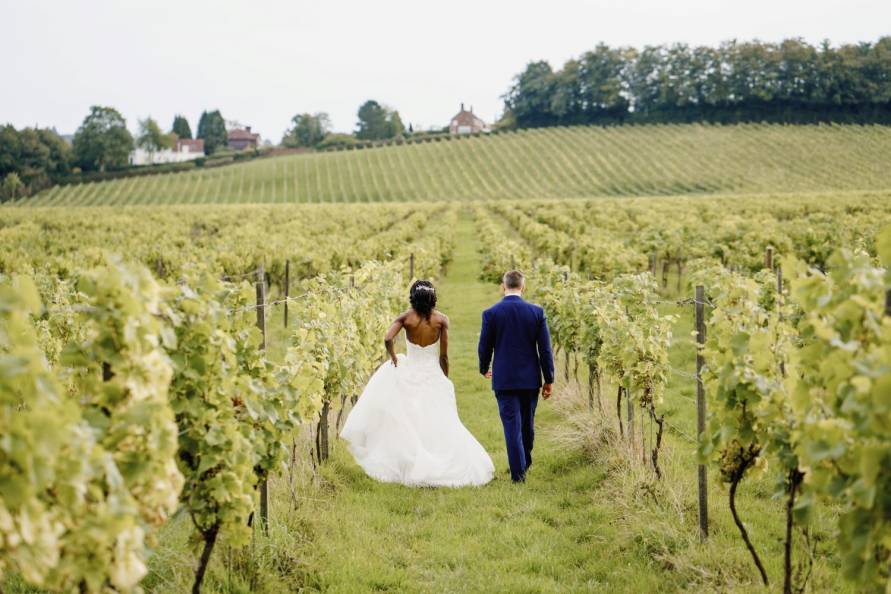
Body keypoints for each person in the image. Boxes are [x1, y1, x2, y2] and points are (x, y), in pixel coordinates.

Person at [340, 280, 495, 487]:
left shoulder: (406, 317)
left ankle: (412, 462)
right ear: (433, 298)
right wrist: (444, 377)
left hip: (410, 371)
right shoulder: (441, 320)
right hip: (432, 373)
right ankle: (440, 461)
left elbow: (388, 337)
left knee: (410, 419)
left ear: (413, 297)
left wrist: (393, 357)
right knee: (438, 419)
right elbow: (444, 355)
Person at [478, 270, 555, 483]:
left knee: (513, 426)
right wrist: (548, 379)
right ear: (523, 287)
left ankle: (520, 468)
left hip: (504, 379)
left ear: (504, 287)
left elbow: (484, 346)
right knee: (527, 425)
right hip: (530, 379)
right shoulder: (536, 313)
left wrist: (484, 367)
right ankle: (521, 469)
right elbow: (545, 350)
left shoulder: (491, 313)